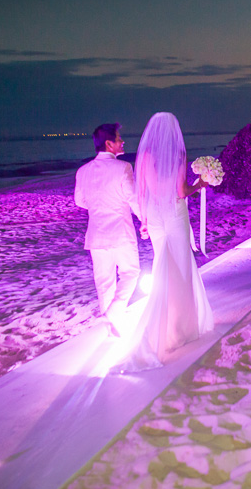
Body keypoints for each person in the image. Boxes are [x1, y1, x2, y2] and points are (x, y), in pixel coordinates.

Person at [117, 112, 214, 371]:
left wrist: (144, 221)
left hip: (155, 214)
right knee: (180, 268)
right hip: (173, 212)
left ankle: (166, 327)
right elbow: (181, 192)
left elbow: (143, 191)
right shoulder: (179, 156)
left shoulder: (146, 157)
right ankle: (178, 329)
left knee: (163, 264)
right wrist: (200, 184)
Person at [74, 123, 141, 336]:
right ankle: (113, 315)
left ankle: (111, 327)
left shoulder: (82, 171)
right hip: (121, 231)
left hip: (96, 234)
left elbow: (80, 201)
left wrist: (99, 206)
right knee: (131, 273)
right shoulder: (123, 168)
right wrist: (145, 221)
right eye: (119, 139)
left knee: (104, 282)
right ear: (109, 143)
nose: (123, 142)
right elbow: (133, 199)